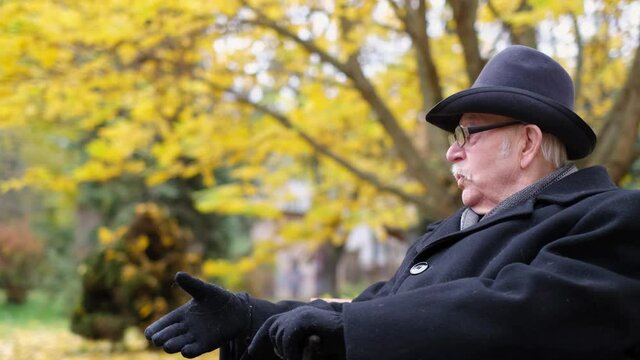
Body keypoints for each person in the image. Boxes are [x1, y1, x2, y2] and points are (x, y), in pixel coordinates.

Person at [143, 45, 640, 360]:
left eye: (468, 132)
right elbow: (375, 311)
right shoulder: (446, 235)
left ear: (528, 143)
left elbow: (518, 314)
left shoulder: (610, 219)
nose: (452, 149)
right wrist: (252, 316)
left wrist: (350, 329)